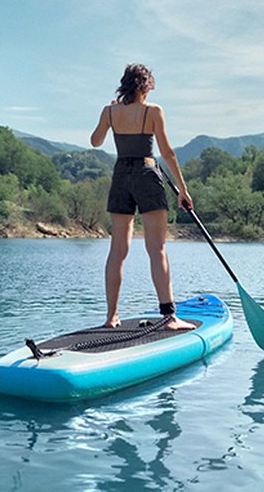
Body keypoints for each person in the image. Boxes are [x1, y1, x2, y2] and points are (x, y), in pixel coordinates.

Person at [90, 63, 194, 330]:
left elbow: (95, 141)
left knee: (117, 250)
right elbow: (167, 153)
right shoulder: (153, 111)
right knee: (156, 248)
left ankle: (111, 317)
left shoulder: (109, 111)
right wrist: (183, 190)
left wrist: (110, 115)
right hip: (147, 174)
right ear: (145, 87)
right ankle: (170, 317)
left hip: (120, 175)